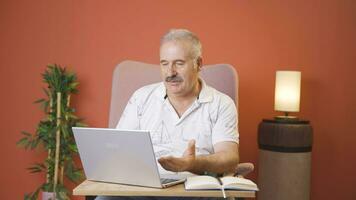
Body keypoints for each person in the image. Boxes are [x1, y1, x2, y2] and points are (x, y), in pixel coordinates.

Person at [97, 29, 239, 200]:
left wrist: (193, 163)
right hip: (143, 190)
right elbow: (119, 148)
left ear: (199, 64)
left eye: (179, 63)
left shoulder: (221, 103)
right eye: (164, 63)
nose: (170, 72)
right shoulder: (141, 97)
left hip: (195, 191)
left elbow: (229, 157)